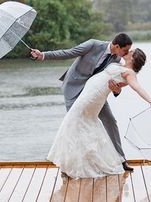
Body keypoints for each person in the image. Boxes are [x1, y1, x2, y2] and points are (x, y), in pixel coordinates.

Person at [46, 48, 151, 178]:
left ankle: (73, 165)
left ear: (133, 57)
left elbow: (137, 88)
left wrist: (150, 101)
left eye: (130, 51)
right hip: (87, 93)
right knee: (78, 124)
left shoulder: (130, 73)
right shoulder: (119, 64)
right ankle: (74, 163)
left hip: (93, 98)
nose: (127, 51)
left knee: (74, 122)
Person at [31, 33, 133, 171]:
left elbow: (116, 85)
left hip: (94, 93)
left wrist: (116, 91)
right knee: (73, 126)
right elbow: (68, 53)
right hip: (74, 87)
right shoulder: (93, 44)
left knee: (110, 120)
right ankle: (68, 166)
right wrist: (43, 55)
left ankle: (121, 159)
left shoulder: (117, 60)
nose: (126, 54)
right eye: (125, 50)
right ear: (116, 46)